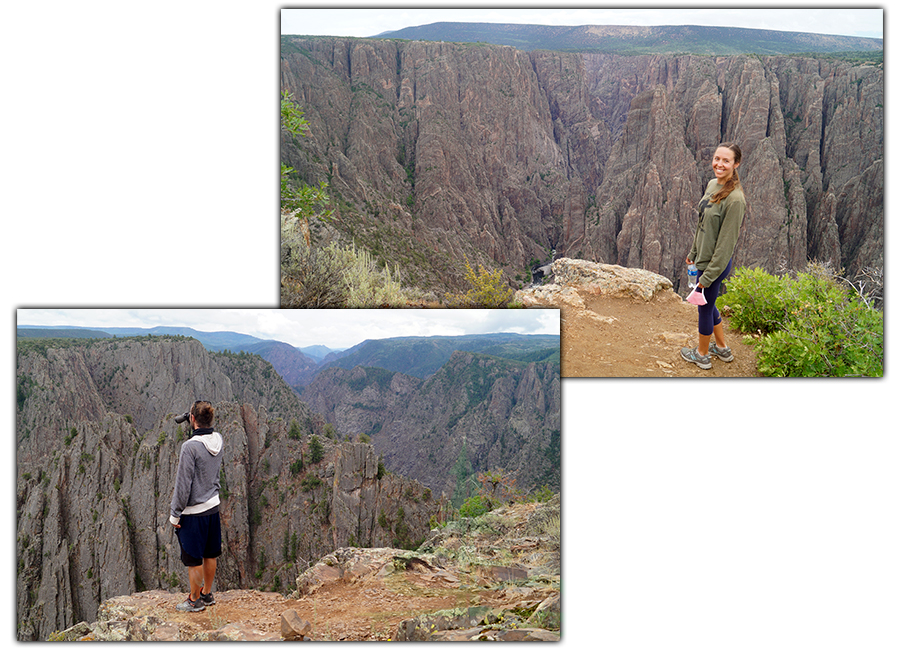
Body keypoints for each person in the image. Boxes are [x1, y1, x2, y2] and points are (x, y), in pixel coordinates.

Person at [681, 142, 746, 370]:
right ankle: (722, 347)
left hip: (715, 266)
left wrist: (705, 278)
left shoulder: (735, 200)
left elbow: (726, 245)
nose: (719, 164)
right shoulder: (712, 185)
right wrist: (693, 252)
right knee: (710, 303)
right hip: (703, 261)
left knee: (704, 308)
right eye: (717, 158)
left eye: (726, 160)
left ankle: (702, 354)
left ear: (735, 164)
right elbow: (702, 225)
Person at [169, 400, 224, 612]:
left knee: (194, 559)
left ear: (192, 419)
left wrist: (175, 514)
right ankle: (207, 594)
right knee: (210, 554)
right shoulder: (218, 440)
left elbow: (183, 485)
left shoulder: (190, 447)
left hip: (193, 513)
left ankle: (194, 600)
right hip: (213, 507)